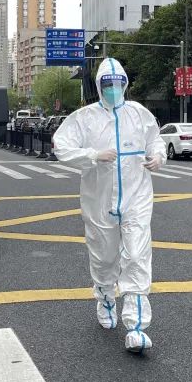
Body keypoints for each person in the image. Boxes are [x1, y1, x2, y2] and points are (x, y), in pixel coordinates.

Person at [53, 58, 166, 354]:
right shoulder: (85, 118)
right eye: (108, 84)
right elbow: (61, 145)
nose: (114, 89)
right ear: (99, 86)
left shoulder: (139, 113)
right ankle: (105, 298)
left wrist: (158, 157)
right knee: (103, 257)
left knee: (137, 254)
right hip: (98, 199)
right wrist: (92, 155)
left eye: (118, 84)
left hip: (136, 196)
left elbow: (155, 140)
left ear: (125, 84)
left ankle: (137, 326)